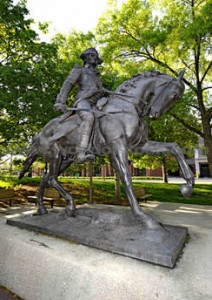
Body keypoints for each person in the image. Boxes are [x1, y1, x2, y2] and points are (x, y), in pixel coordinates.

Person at [54, 48, 110, 163]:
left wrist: (104, 91)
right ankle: (81, 153)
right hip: (83, 101)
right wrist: (60, 101)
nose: (94, 58)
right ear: (86, 58)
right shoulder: (79, 70)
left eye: (95, 56)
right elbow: (67, 84)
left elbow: (99, 89)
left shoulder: (96, 75)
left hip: (98, 102)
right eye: (92, 55)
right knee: (89, 117)